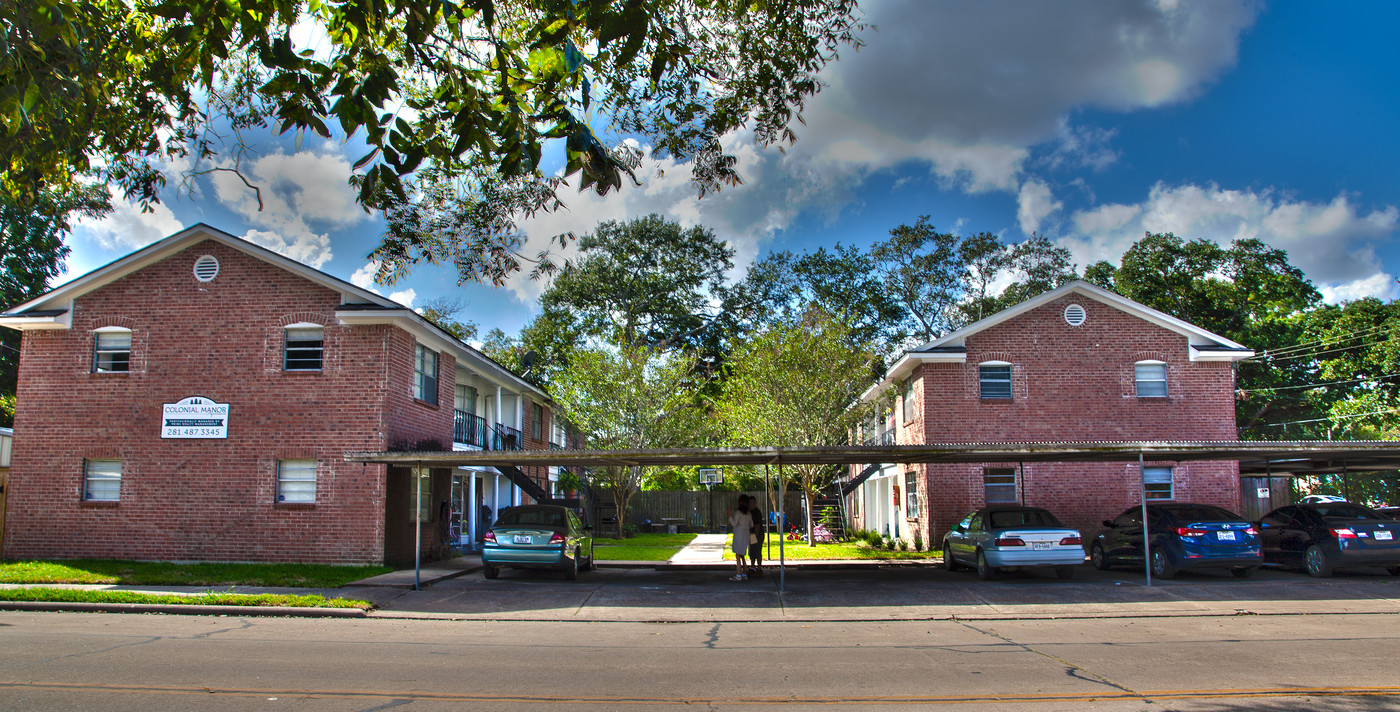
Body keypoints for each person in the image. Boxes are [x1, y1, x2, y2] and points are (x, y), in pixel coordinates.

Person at [728, 495, 754, 581]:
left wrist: (729, 516)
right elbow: (752, 525)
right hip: (746, 534)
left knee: (738, 555)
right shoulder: (749, 514)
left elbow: (734, 523)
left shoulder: (738, 512)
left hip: (739, 534)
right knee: (743, 555)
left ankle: (738, 574)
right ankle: (744, 574)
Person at [747, 496, 765, 577]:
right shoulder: (749, 512)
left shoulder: (757, 513)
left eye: (751, 503)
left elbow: (757, 525)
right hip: (752, 534)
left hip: (757, 534)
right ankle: (752, 567)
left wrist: (755, 536)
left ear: (755, 503)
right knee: (752, 552)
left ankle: (759, 568)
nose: (750, 504)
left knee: (757, 551)